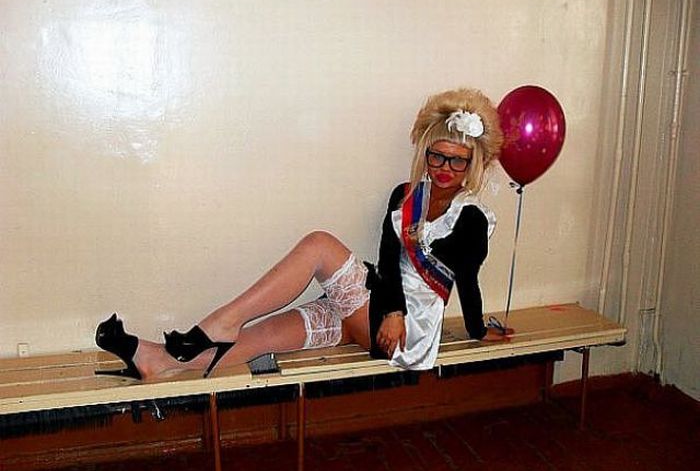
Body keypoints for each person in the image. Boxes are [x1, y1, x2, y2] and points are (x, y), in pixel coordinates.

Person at [95, 87, 512, 380]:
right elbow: (388, 261)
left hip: (403, 332)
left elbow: (466, 280)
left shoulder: (471, 218)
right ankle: (157, 360)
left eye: (458, 160)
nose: (445, 168)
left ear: (473, 163)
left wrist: (470, 328)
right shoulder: (405, 195)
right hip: (372, 310)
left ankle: (222, 321)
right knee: (264, 336)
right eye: (438, 156)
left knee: (319, 246)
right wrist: (388, 308)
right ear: (425, 152)